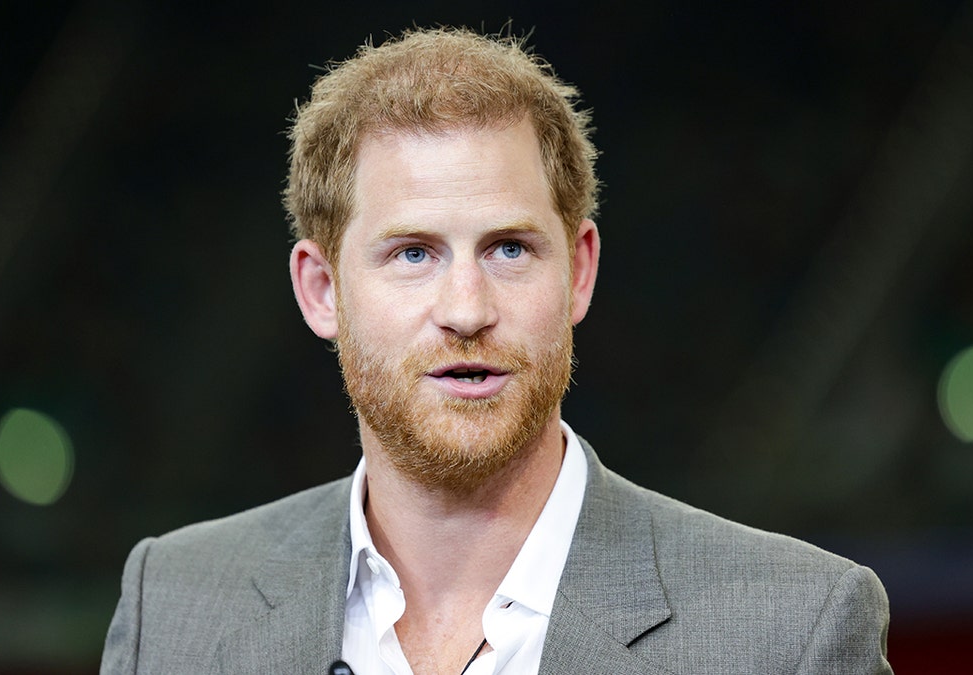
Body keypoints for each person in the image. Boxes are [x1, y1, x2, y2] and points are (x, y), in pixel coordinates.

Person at [100, 27, 892, 674]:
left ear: (579, 270)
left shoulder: (794, 632)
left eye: (509, 249)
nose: (466, 309)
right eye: (412, 253)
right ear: (321, 290)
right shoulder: (172, 604)